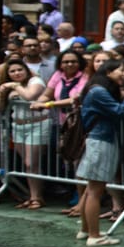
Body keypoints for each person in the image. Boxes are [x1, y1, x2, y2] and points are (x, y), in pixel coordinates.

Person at [75, 59, 124, 245]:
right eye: (121, 70)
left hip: (97, 140)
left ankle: (86, 230)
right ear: (108, 72)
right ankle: (94, 236)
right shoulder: (99, 91)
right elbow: (119, 112)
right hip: (101, 141)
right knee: (95, 191)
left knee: (90, 190)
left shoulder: (96, 89)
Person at [31, 48, 89, 212]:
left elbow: (75, 100)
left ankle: (82, 202)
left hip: (81, 126)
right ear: (60, 64)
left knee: (79, 163)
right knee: (68, 162)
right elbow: (47, 93)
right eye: (66, 62)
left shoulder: (85, 77)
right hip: (63, 125)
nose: (69, 64)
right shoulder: (58, 75)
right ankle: (76, 196)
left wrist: (47, 105)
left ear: (79, 63)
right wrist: (39, 101)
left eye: (73, 61)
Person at [0, 58, 49, 209]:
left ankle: (37, 197)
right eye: (12, 71)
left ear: (26, 70)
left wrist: (15, 86)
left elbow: (29, 96)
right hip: (18, 126)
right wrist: (2, 93)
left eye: (19, 69)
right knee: (27, 165)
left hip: (37, 124)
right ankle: (32, 196)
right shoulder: (8, 85)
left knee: (31, 163)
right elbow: (0, 107)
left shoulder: (35, 81)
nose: (17, 73)